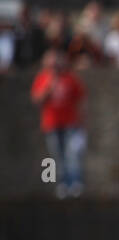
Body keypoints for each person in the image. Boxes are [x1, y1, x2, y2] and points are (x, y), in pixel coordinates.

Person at [29, 50, 87, 198]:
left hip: (70, 123)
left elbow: (81, 99)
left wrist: (82, 123)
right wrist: (49, 86)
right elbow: (37, 99)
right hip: (52, 124)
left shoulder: (69, 78)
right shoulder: (43, 78)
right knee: (56, 156)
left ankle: (75, 183)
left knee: (72, 154)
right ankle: (61, 184)